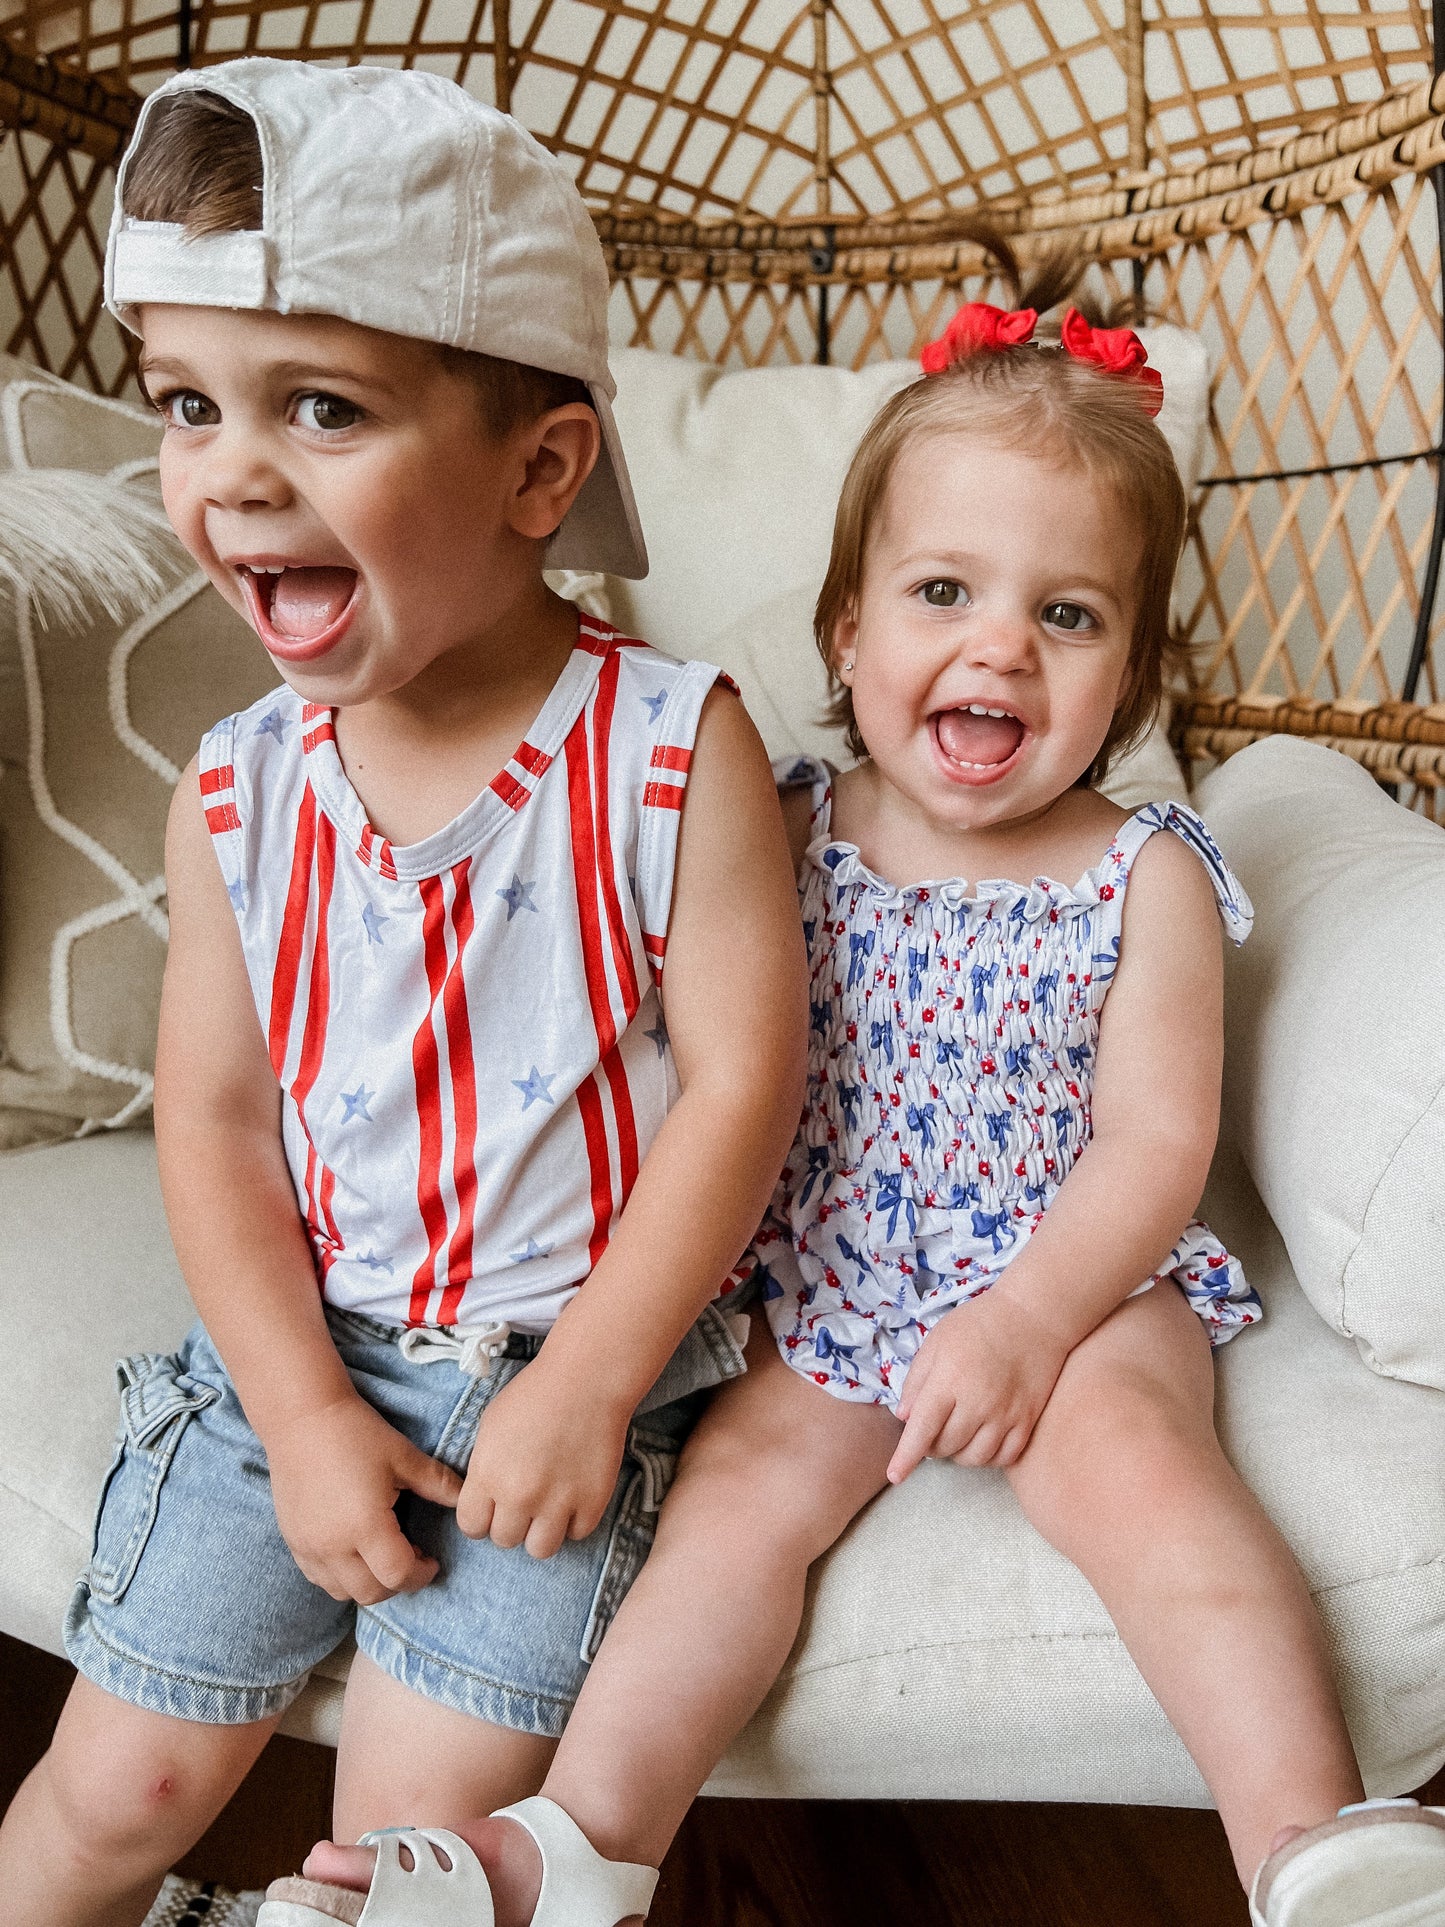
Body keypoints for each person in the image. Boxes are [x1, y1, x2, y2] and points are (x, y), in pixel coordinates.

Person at [282, 297, 1445, 1927]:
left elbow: (1153, 1145)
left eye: (1067, 613)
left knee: (1144, 1474)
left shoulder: (1144, 874)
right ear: (844, 631)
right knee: (735, 1511)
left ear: (1133, 669)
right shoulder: (778, 824)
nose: (996, 648)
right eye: (941, 593)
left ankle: (1309, 1840)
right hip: (818, 1282)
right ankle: (579, 1843)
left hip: (1076, 1277)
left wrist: (1031, 1321)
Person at [0, 58, 808, 1927]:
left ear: (539, 469)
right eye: (190, 406)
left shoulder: (669, 749)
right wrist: (291, 1414)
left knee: (406, 1853)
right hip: (304, 1342)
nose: (234, 474)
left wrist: (592, 1387)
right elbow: (209, 1119)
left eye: (322, 408)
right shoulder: (241, 787)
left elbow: (738, 1088)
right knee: (114, 1782)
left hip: (558, 1369)